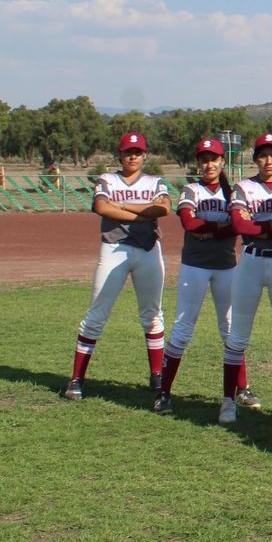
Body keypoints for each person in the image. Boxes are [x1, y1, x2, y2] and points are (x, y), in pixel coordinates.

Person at [64, 132, 171, 402]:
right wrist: (141, 211)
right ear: (119, 155)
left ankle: (157, 375)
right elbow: (102, 207)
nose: (132, 156)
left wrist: (122, 205)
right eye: (127, 152)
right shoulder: (108, 179)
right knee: (96, 314)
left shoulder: (154, 181)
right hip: (114, 247)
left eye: (137, 152)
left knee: (153, 315)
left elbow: (163, 209)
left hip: (148, 249)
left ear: (145, 155)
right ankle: (77, 378)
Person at [156, 138, 245, 415]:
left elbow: (237, 227)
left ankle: (241, 389)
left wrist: (212, 230)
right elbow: (188, 222)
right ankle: (165, 393)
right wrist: (223, 225)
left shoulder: (233, 192)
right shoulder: (191, 189)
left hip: (226, 266)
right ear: (198, 163)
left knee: (230, 329)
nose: (209, 164)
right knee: (183, 327)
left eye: (214, 158)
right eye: (204, 159)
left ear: (222, 162)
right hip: (195, 266)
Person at [221, 132, 272, 424]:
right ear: (255, 158)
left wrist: (261, 224)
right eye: (263, 155)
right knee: (238, 334)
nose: (268, 161)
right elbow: (239, 225)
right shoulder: (243, 187)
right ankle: (229, 400)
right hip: (251, 261)